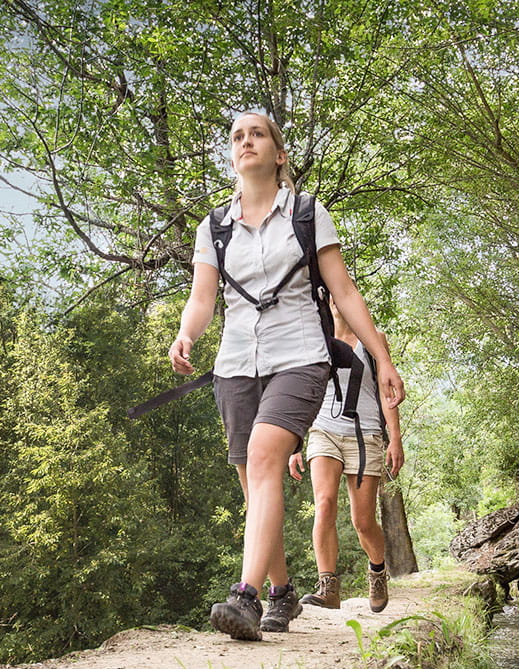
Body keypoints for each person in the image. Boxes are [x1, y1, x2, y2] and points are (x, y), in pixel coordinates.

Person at [168, 112, 403, 641]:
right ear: (232, 156)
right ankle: (281, 591)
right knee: (255, 485)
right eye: (237, 136)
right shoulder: (214, 226)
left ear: (278, 154)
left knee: (264, 456)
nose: (245, 141)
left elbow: (343, 291)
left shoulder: (306, 212)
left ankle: (245, 597)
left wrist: (381, 358)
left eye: (257, 134)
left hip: (300, 355)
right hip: (233, 364)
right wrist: (186, 335)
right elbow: (203, 299)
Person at [288, 309, 404, 612]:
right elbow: (302, 392)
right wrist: (294, 441)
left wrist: (395, 438)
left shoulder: (373, 339)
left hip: (364, 434)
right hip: (323, 430)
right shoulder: (314, 340)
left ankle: (377, 571)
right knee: (324, 503)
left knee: (363, 521)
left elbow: (386, 391)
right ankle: (328, 587)